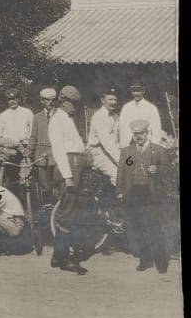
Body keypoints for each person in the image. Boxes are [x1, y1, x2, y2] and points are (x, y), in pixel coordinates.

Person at [117, 119, 173, 273]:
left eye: (141, 133)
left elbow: (169, 171)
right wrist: (120, 192)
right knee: (139, 229)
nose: (138, 137)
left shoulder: (158, 150)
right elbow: (121, 172)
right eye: (135, 134)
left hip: (152, 196)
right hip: (134, 195)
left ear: (147, 132)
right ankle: (145, 260)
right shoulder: (127, 152)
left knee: (155, 228)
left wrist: (159, 169)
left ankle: (161, 263)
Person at [48, 86, 90, 275]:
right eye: (73, 103)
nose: (76, 107)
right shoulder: (57, 120)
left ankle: (58, 256)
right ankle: (64, 259)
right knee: (67, 211)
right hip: (69, 168)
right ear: (63, 101)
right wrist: (68, 177)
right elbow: (58, 150)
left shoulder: (66, 119)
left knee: (70, 211)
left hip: (75, 165)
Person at [29, 87, 60, 202]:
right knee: (44, 185)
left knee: (56, 183)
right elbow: (33, 137)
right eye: (47, 100)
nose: (50, 102)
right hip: (41, 156)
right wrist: (28, 154)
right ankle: (46, 207)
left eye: (52, 100)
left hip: (56, 154)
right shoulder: (37, 117)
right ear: (42, 101)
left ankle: (57, 208)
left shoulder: (60, 115)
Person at [87, 88, 122, 186]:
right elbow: (107, 142)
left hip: (111, 152)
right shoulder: (99, 116)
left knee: (130, 167)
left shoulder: (115, 116)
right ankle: (120, 199)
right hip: (98, 153)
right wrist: (120, 161)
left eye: (115, 100)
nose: (113, 102)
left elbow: (117, 140)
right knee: (118, 174)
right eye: (110, 99)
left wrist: (127, 160)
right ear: (103, 100)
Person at [119, 80, 165, 148]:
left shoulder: (151, 108)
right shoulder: (126, 108)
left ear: (143, 91)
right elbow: (122, 129)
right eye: (134, 91)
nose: (136, 93)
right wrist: (124, 146)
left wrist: (153, 148)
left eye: (139, 91)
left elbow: (156, 130)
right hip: (130, 144)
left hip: (147, 145)